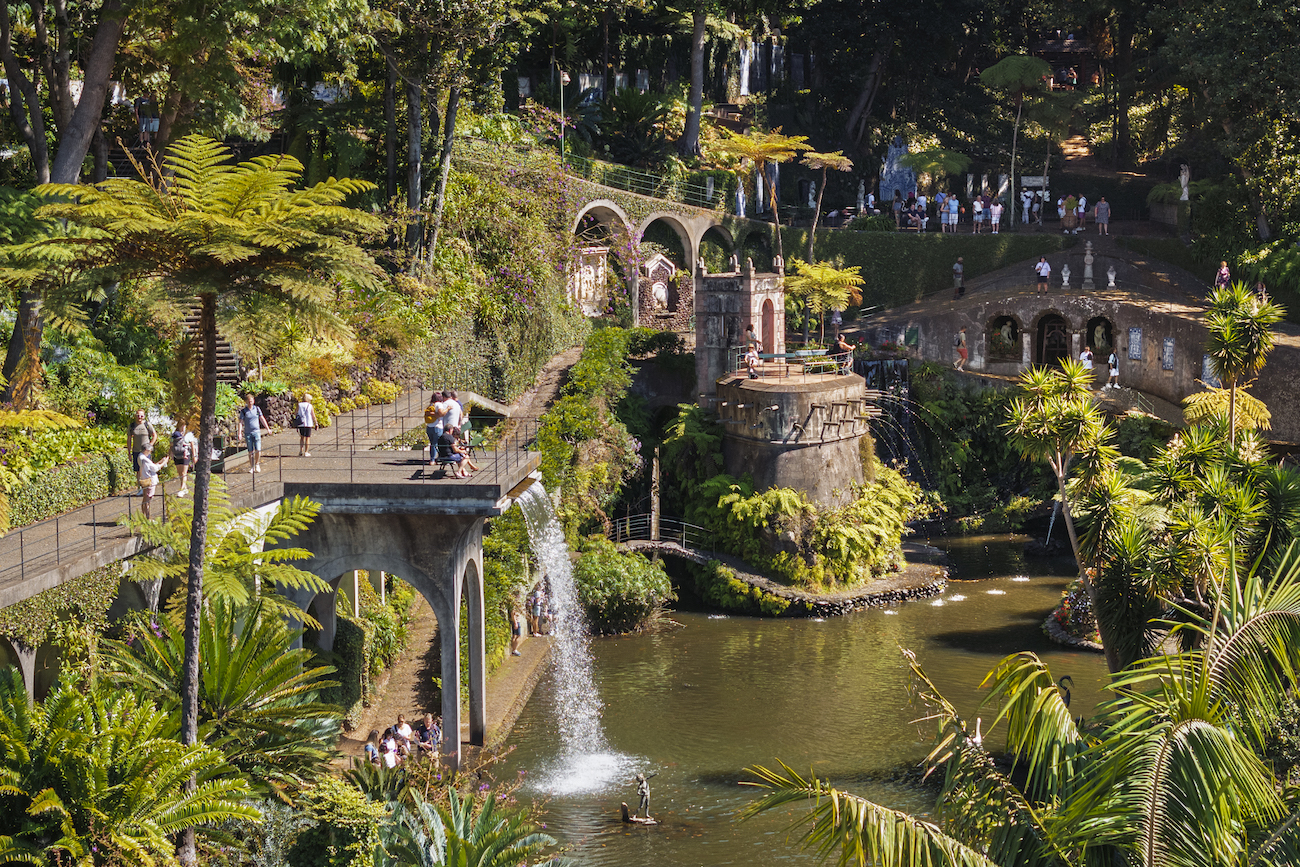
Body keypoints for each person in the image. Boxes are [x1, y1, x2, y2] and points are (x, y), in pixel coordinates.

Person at [237, 393, 268, 473]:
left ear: (253, 401)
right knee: (250, 451)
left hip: (256, 432)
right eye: (249, 401)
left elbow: (262, 418)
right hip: (248, 433)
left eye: (251, 401)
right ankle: (252, 466)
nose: (250, 402)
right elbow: (240, 422)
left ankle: (257, 464)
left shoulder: (257, 409)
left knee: (258, 449)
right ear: (247, 402)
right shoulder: (244, 411)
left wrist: (267, 428)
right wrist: (239, 433)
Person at [137, 446, 169, 519]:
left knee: (145, 498)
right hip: (150, 480)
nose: (150, 452)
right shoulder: (144, 459)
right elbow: (155, 469)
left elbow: (151, 467)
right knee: (148, 499)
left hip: (145, 479)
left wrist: (160, 461)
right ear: (146, 450)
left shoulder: (140, 457)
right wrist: (164, 462)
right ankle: (148, 518)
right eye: (150, 451)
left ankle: (144, 517)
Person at [170, 422, 198, 496]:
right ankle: (185, 488)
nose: (183, 427)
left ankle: (181, 489)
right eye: (181, 425)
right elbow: (171, 445)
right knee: (180, 473)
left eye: (184, 425)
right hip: (177, 455)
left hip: (185, 455)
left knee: (183, 473)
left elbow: (192, 445)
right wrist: (171, 454)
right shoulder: (174, 434)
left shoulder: (188, 434)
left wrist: (194, 456)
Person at [128, 409, 157, 479]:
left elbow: (154, 435)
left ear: (144, 416)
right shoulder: (132, 426)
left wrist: (150, 446)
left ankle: (147, 487)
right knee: (138, 471)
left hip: (146, 452)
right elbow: (129, 439)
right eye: (138, 415)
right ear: (135, 416)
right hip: (136, 451)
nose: (139, 417)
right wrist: (129, 452)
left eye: (141, 416)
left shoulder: (147, 425)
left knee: (147, 469)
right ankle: (140, 487)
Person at [424, 393, 446, 467]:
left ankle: (433, 458)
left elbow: (428, 413)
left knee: (432, 444)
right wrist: (448, 408)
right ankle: (433, 460)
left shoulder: (431, 405)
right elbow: (441, 413)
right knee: (435, 444)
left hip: (429, 427)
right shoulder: (439, 404)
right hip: (437, 427)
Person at [295, 393, 317, 457]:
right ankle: (306, 451)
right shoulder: (310, 406)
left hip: (301, 423)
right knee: (308, 438)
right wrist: (316, 422)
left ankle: (301, 451)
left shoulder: (299, 405)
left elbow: (295, 413)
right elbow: (313, 415)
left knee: (302, 437)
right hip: (308, 423)